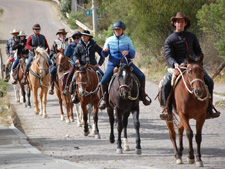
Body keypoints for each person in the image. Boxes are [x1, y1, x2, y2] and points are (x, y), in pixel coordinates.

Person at [160, 12, 220, 121]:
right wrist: (175, 64)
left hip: (193, 65)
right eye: (178, 21)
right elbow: (168, 56)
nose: (180, 23)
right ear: (174, 23)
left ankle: (209, 108)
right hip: (178, 66)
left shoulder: (192, 36)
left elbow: (198, 51)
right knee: (166, 83)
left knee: (209, 81)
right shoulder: (169, 39)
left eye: (182, 21)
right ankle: (167, 109)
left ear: (185, 23)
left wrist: (197, 61)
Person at [99, 20, 151, 110]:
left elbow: (133, 54)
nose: (117, 31)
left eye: (119, 30)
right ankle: (105, 100)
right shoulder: (109, 40)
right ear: (113, 30)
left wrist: (128, 52)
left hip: (126, 64)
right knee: (103, 81)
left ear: (122, 30)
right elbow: (104, 55)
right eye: (115, 30)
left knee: (142, 76)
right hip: (113, 64)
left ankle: (142, 95)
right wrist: (104, 51)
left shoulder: (128, 40)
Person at [67, 30, 105, 103]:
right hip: (82, 66)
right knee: (74, 79)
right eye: (82, 36)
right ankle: (75, 94)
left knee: (102, 76)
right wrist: (76, 60)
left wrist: (99, 64)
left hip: (93, 65)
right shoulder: (79, 45)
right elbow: (75, 55)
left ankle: (103, 96)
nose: (83, 37)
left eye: (84, 36)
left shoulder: (94, 44)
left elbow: (102, 53)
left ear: (88, 37)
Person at [48, 28, 70, 95]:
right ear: (59, 35)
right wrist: (56, 56)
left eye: (65, 34)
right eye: (63, 34)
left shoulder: (69, 41)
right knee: (52, 71)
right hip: (59, 61)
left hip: (68, 61)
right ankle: (51, 87)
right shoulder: (55, 42)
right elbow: (51, 52)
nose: (64, 35)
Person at [62, 31, 81, 96]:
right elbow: (66, 54)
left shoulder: (83, 45)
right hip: (74, 64)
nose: (77, 39)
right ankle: (66, 87)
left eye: (78, 38)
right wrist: (69, 45)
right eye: (75, 38)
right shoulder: (71, 45)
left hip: (83, 64)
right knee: (71, 74)